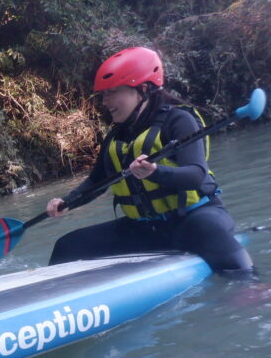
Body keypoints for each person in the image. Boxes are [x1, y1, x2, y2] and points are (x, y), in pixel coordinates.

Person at [46, 46, 253, 276]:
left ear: (142, 89)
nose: (105, 101)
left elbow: (196, 176)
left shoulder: (179, 121)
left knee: (205, 230)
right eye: (104, 94)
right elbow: (96, 182)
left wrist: (154, 172)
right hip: (145, 228)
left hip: (192, 218)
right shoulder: (116, 136)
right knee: (68, 246)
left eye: (112, 92)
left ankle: (251, 285)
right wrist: (66, 201)